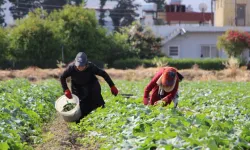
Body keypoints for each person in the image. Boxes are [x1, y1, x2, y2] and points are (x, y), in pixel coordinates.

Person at [60, 52, 118, 122]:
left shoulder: (91, 66)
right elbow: (62, 77)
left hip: (91, 85)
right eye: (78, 65)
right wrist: (66, 89)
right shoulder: (71, 68)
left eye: (82, 66)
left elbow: (103, 74)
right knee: (82, 107)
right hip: (77, 87)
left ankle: (102, 118)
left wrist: (112, 86)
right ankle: (80, 121)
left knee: (97, 101)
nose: (80, 67)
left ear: (86, 64)